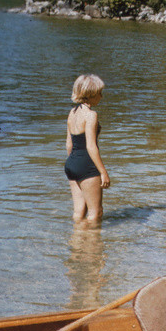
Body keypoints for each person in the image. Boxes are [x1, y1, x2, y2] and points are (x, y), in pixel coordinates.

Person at [65, 74, 110, 226]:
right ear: (90, 94)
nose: (101, 96)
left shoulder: (72, 113)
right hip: (86, 165)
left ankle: (77, 245)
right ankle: (92, 247)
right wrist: (103, 172)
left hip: (71, 163)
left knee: (78, 212)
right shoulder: (91, 115)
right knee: (95, 213)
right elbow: (91, 146)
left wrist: (73, 163)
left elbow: (68, 144)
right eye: (99, 93)